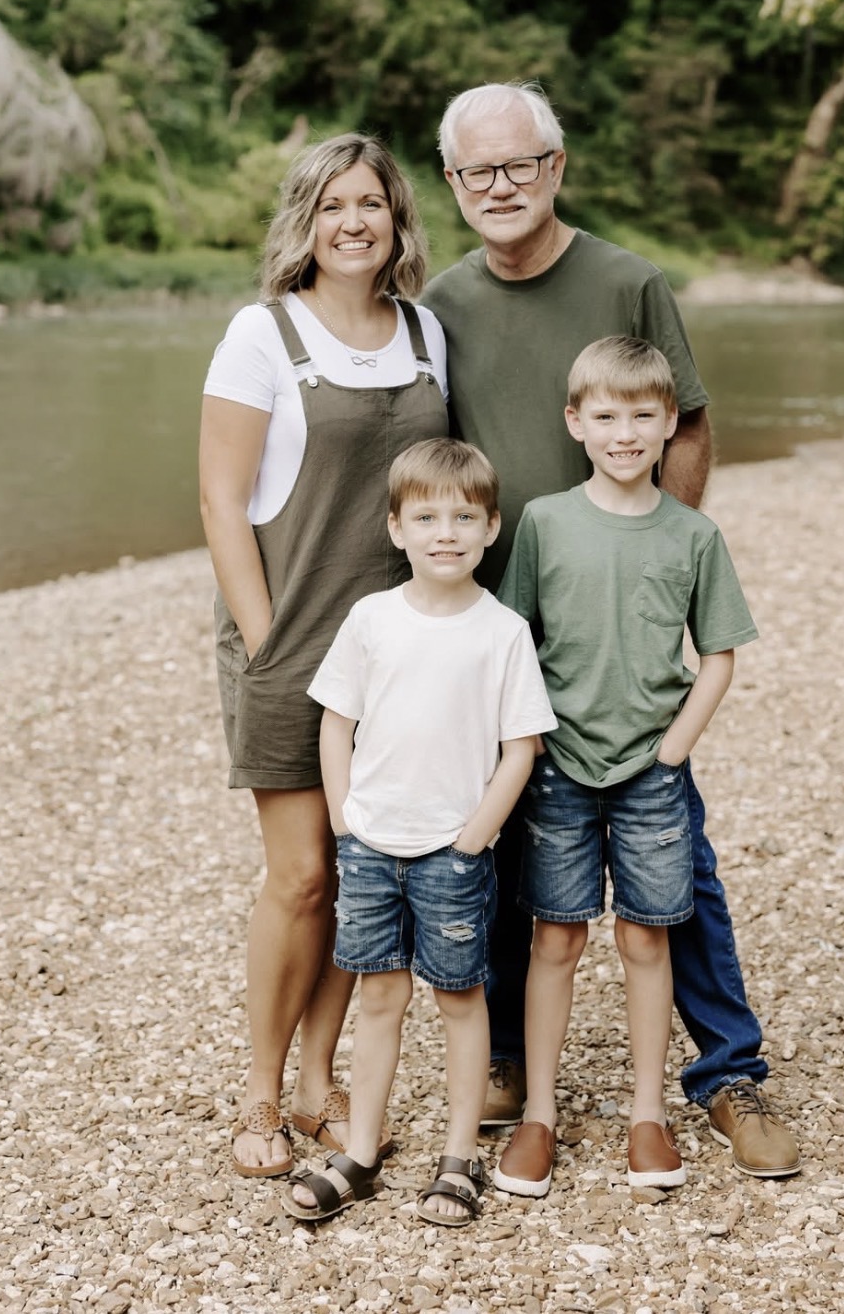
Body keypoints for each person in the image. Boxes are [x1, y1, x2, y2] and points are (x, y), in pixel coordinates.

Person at [423, 81, 801, 1179]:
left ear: (556, 166)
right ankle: (507, 1059)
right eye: (478, 170)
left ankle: (725, 1070)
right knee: (506, 848)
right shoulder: (440, 305)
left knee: (676, 865)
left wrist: (660, 578)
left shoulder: (627, 282)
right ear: (453, 183)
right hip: (505, 624)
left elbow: (689, 424)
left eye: (519, 163)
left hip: (625, 635)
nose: (500, 185)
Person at [199, 134, 449, 1179]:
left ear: (397, 219)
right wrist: (267, 646)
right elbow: (221, 501)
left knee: (358, 876)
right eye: (333, 205)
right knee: (300, 876)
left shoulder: (427, 332)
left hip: (398, 651)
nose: (354, 222)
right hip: (291, 639)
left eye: (372, 204)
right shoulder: (260, 333)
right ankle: (259, 1093)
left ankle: (318, 1081)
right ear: (304, 221)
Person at [493, 337, 758, 1196]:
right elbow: (512, 641)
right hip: (559, 769)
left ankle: (649, 1114)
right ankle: (539, 1116)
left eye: (643, 415)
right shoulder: (545, 522)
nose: (625, 433)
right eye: (606, 416)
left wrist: (673, 749)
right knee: (556, 937)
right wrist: (526, 740)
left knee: (647, 936)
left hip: (651, 773)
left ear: (670, 421)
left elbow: (717, 655)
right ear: (575, 422)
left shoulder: (693, 534)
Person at [285, 439, 556, 1226]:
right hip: (371, 847)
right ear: (396, 528)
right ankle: (360, 1154)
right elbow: (336, 724)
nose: (446, 533)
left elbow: (521, 747)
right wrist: (344, 819)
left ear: (491, 527)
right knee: (380, 996)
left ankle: (459, 1157)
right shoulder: (371, 619)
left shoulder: (501, 632)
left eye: (464, 518)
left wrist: (475, 837)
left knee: (461, 999)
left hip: (452, 853)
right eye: (427, 517)